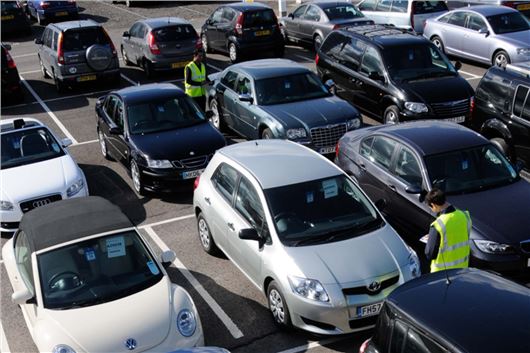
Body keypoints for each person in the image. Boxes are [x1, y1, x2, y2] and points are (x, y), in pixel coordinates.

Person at [424, 188, 471, 273]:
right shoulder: (465, 216)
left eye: (431, 207)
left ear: (434, 205)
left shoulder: (437, 225)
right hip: (463, 268)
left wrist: (431, 239)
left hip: (442, 273)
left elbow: (430, 254)